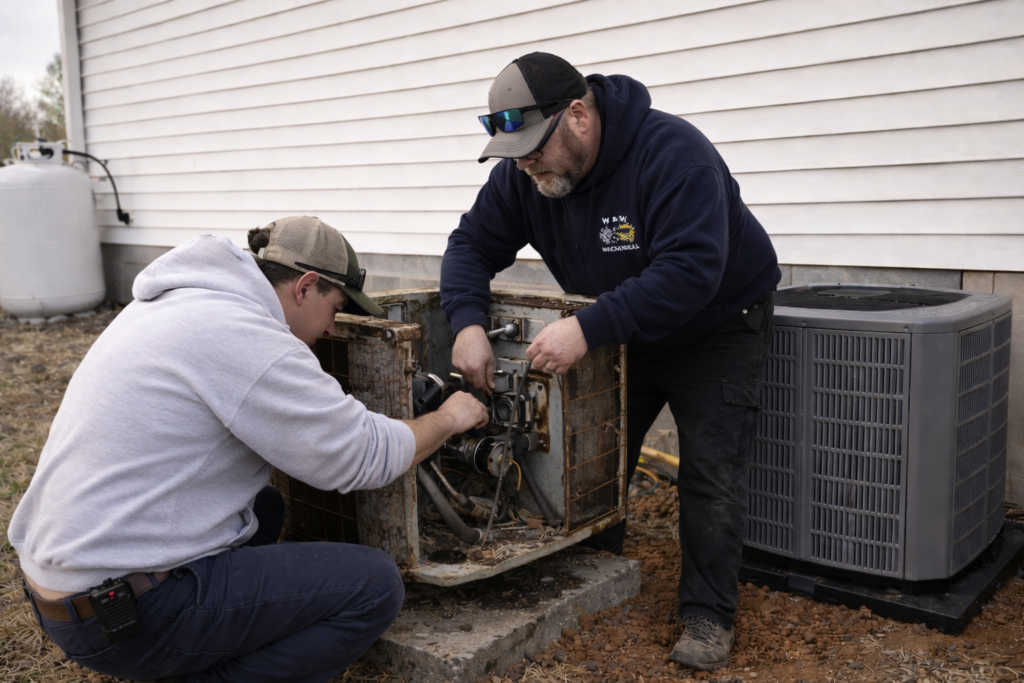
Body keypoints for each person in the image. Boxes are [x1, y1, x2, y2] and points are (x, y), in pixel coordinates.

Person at [9, 216, 489, 683]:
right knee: (374, 587)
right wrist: (449, 418)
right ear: (304, 287)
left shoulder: (178, 301)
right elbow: (362, 456)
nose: (330, 328)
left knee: (266, 507)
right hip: (122, 618)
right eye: (336, 308)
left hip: (66, 589)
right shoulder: (246, 337)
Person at [439, 53, 780, 671]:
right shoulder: (525, 174)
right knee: (599, 455)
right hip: (624, 330)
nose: (524, 165)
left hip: (718, 324)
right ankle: (596, 571)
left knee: (711, 472)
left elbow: (691, 270)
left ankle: (708, 612)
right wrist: (466, 322)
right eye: (512, 153)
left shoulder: (673, 155)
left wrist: (588, 327)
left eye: (534, 149)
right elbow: (469, 244)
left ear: (578, 116)